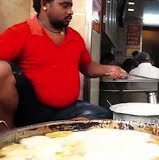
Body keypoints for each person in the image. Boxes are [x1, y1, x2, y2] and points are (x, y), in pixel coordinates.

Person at [0, 0, 127, 129]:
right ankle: (7, 134)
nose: (70, 11)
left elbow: (88, 67)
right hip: (31, 112)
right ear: (45, 4)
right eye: (65, 6)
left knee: (111, 118)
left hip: (67, 110)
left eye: (71, 6)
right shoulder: (20, 32)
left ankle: (67, 125)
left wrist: (111, 68)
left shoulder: (75, 37)